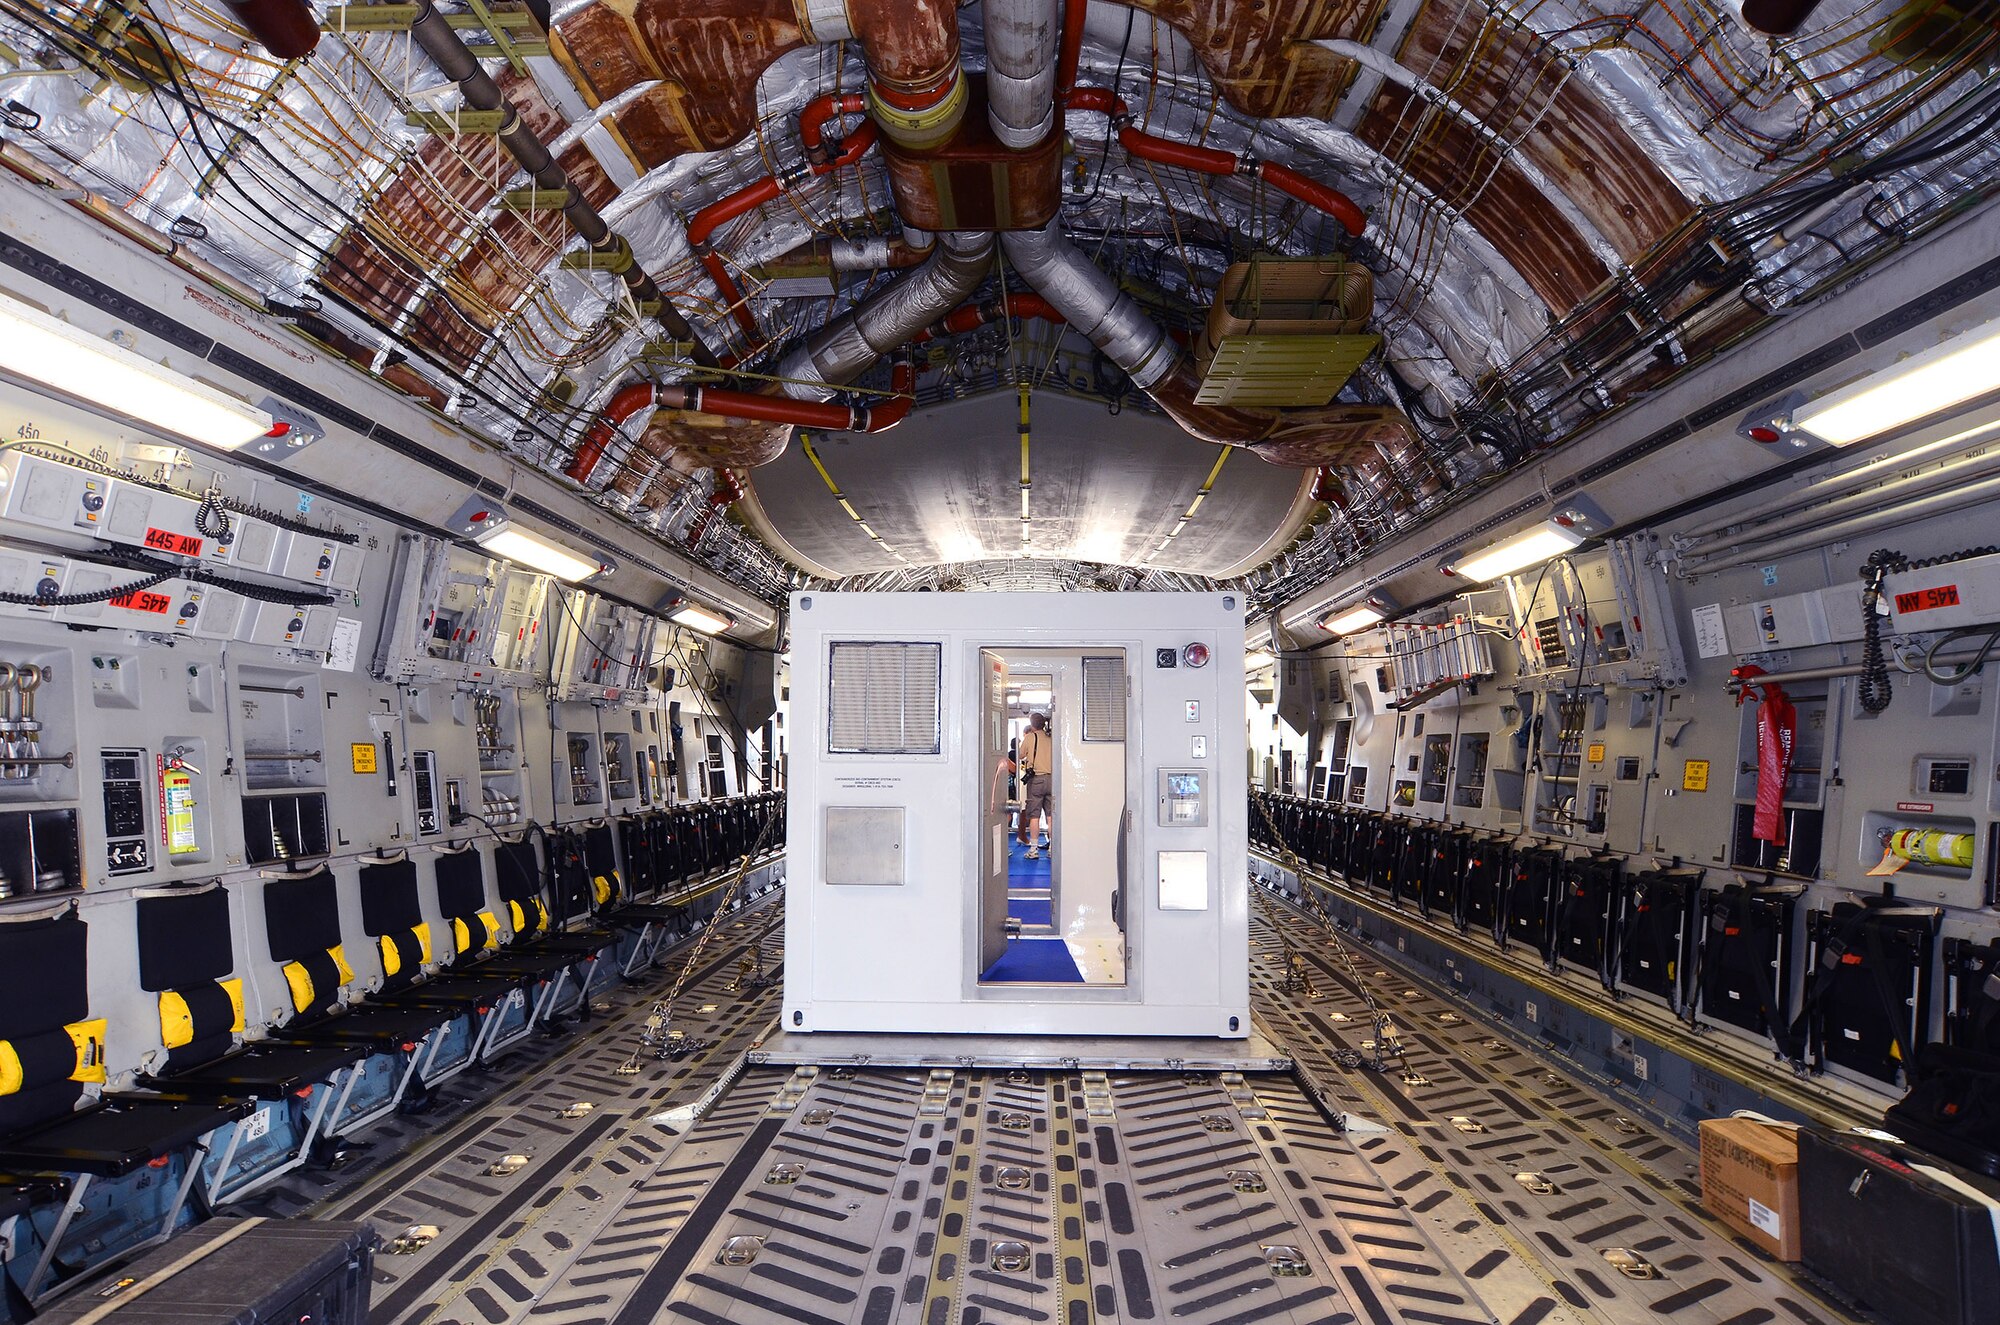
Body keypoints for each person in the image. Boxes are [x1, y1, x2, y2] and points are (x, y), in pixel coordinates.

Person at [1015, 711, 1054, 859]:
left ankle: (1033, 850)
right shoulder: (1051, 738)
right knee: (1051, 816)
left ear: (1032, 725)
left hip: (1036, 780)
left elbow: (1020, 755)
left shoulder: (1030, 738)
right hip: (1052, 780)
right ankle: (1052, 848)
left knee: (1034, 816)